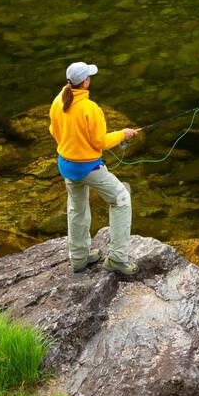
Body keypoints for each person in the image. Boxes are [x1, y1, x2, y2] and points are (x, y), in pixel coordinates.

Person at [49, 61, 142, 277]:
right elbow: (100, 142)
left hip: (66, 165)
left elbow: (54, 131)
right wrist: (123, 134)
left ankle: (79, 258)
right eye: (89, 76)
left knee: (77, 208)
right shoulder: (91, 109)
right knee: (121, 199)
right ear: (85, 82)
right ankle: (117, 259)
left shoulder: (58, 101)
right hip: (88, 167)